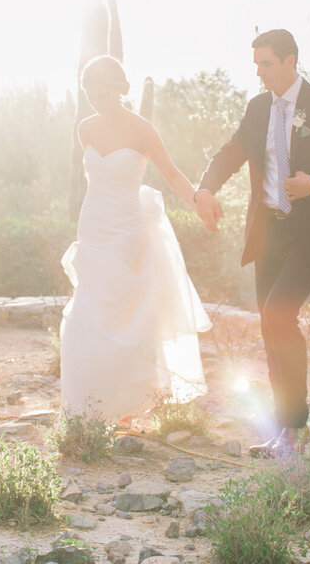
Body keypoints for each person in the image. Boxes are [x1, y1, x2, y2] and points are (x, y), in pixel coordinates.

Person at [194, 29, 310, 457]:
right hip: (268, 234)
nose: (260, 73)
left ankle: (295, 426)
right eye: (256, 64)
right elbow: (231, 152)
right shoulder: (258, 108)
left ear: (290, 61)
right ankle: (285, 431)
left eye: (267, 64)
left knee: (278, 315)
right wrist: (206, 188)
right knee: (270, 327)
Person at [60, 55, 212, 422]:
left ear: (121, 89)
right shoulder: (85, 129)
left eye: (105, 93)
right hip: (93, 224)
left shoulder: (143, 129)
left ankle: (124, 404)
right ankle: (87, 407)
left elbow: (172, 173)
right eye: (92, 95)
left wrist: (198, 204)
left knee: (120, 311)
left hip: (126, 228)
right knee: (88, 312)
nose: (99, 101)